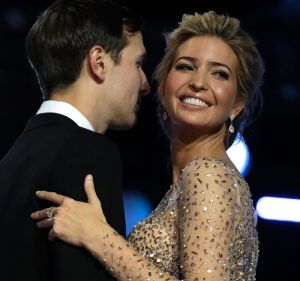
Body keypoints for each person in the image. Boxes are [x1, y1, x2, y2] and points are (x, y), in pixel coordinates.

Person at [31, 11, 265, 281]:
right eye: (186, 66)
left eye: (219, 74)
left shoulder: (208, 176)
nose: (198, 83)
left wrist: (98, 237)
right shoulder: (202, 179)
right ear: (163, 87)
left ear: (237, 105)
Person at [0, 0, 149, 280]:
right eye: (138, 63)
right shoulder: (88, 152)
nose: (145, 83)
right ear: (99, 62)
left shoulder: (11, 162)